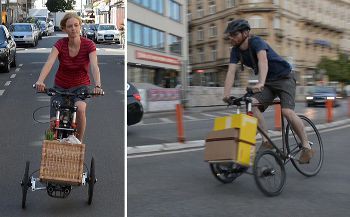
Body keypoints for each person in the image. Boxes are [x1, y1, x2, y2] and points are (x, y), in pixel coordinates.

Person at [223, 19, 314, 164]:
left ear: (245, 33)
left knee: (287, 112)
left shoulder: (256, 42)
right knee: (251, 105)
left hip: (285, 78)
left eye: (234, 34)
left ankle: (306, 146)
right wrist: (226, 94)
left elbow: (263, 61)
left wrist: (260, 82)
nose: (231, 38)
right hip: (269, 83)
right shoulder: (235, 51)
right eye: (230, 35)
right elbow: (231, 72)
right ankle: (267, 141)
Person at [35, 12, 103, 142]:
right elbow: (49, 63)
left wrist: (98, 85)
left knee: (81, 108)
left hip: (80, 86)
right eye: (70, 26)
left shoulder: (89, 45)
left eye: (76, 25)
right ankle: (52, 149)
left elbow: (94, 66)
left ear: (80, 26)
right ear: (65, 29)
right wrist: (40, 81)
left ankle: (78, 143)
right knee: (53, 123)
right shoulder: (60, 44)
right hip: (60, 87)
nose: (73, 28)